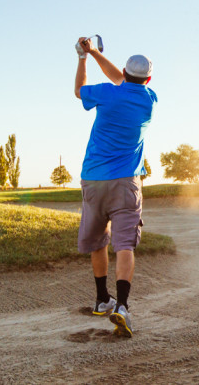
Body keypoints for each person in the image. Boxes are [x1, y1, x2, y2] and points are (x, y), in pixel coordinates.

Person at [73, 36, 158, 337]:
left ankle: (100, 299)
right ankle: (121, 306)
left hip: (93, 179)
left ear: (124, 72)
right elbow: (124, 80)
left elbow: (79, 91)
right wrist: (95, 51)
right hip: (125, 183)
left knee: (98, 241)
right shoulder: (149, 99)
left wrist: (84, 57)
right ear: (148, 78)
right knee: (124, 244)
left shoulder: (108, 94)